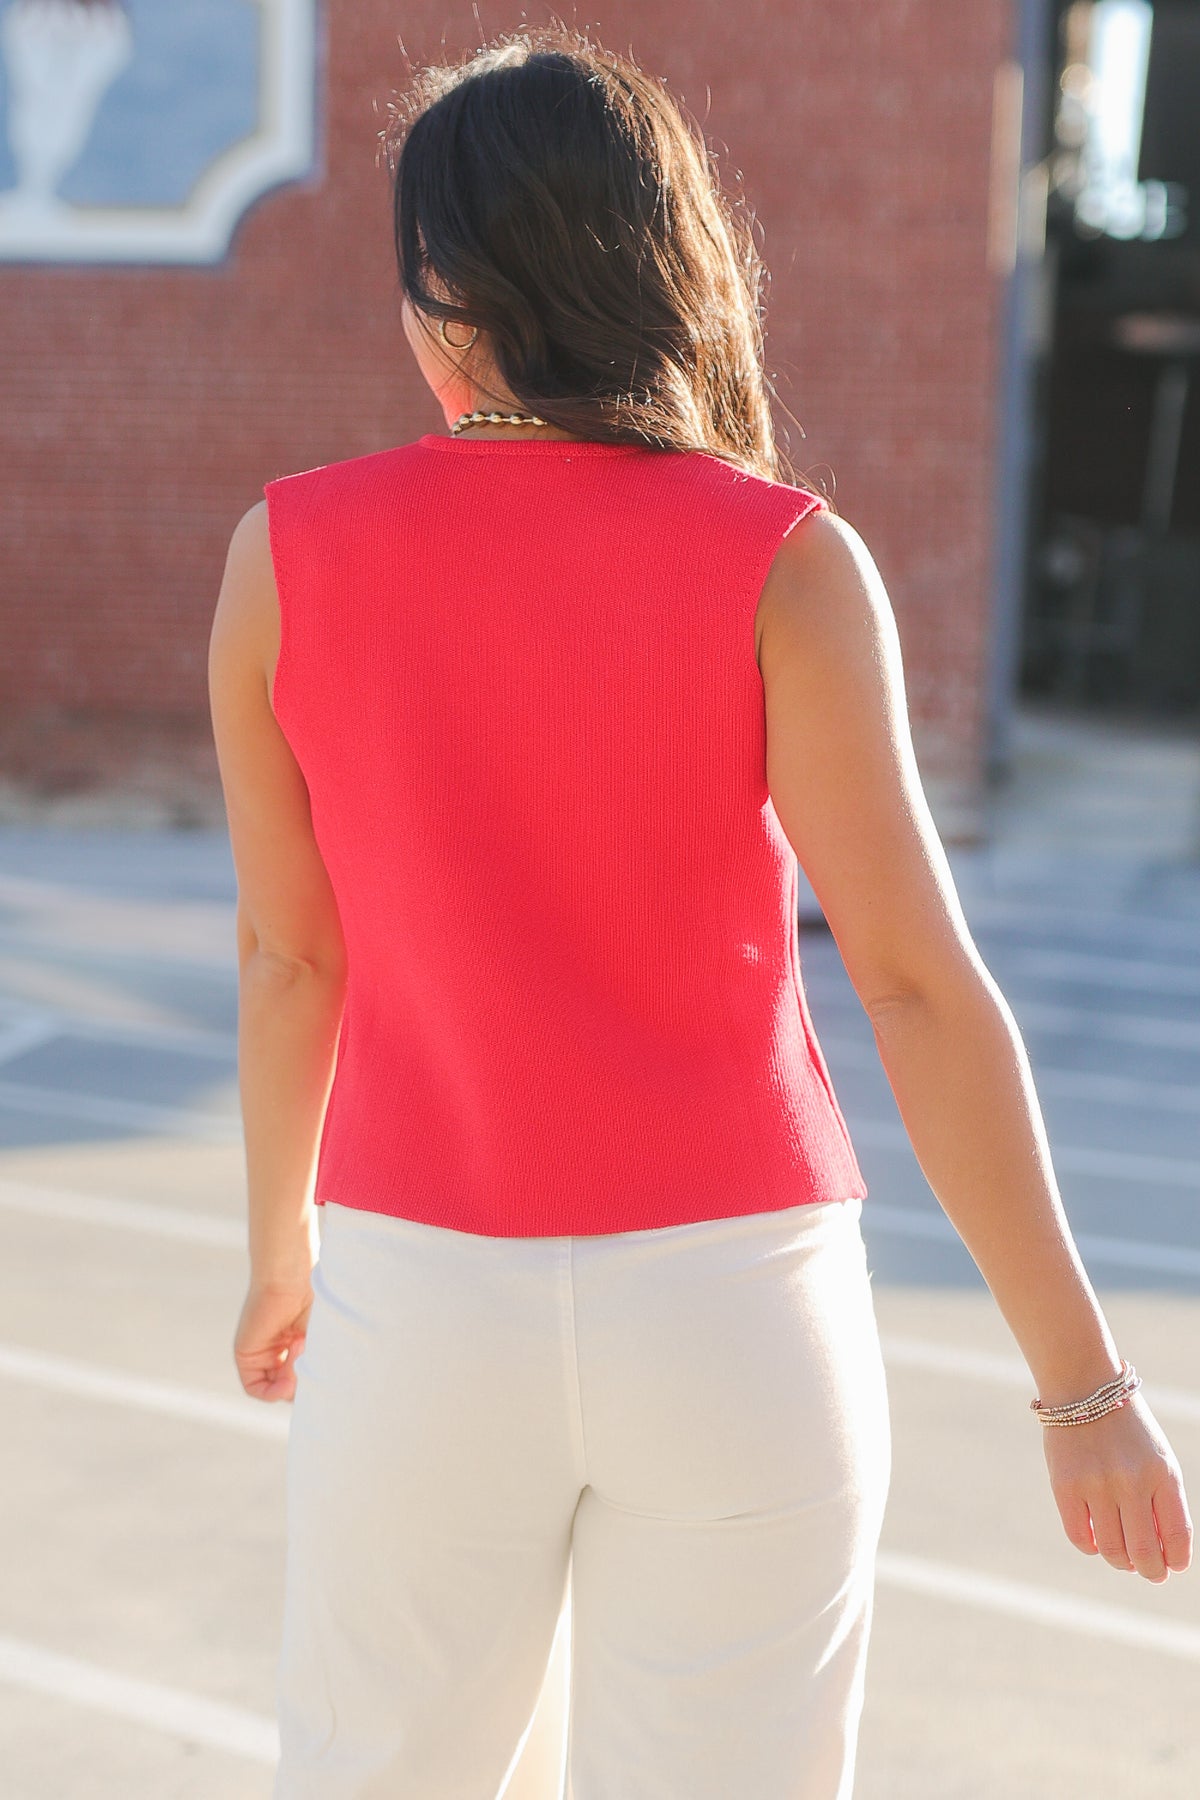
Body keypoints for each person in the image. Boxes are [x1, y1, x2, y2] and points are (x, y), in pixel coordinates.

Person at [206, 23, 1192, 1800]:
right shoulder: (785, 556)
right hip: (737, 1309)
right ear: (665, 264)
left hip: (421, 1294)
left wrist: (283, 1252)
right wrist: (1083, 1385)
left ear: (441, 289)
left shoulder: (284, 553)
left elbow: (293, 959)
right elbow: (910, 980)